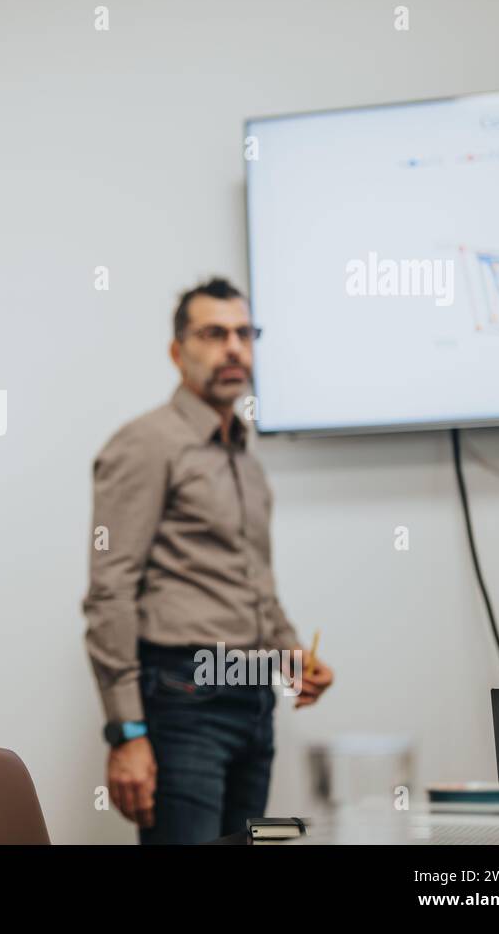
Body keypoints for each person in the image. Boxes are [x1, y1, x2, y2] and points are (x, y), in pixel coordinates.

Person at [82, 277, 335, 844]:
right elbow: (110, 589)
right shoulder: (145, 444)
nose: (234, 349)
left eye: (245, 334)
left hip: (253, 696)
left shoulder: (245, 457)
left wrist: (291, 652)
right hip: (184, 696)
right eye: (214, 333)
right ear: (178, 351)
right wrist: (127, 732)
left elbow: (252, 582)